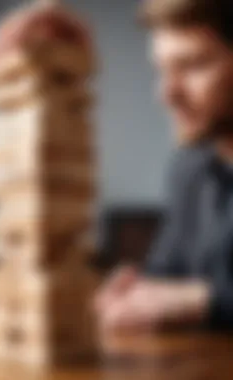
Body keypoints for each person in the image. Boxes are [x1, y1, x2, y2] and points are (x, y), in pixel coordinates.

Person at [95, 0, 233, 331]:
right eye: (162, 70)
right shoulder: (189, 168)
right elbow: (165, 276)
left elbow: (189, 297)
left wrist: (206, 302)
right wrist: (135, 290)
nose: (166, 93)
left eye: (192, 65)